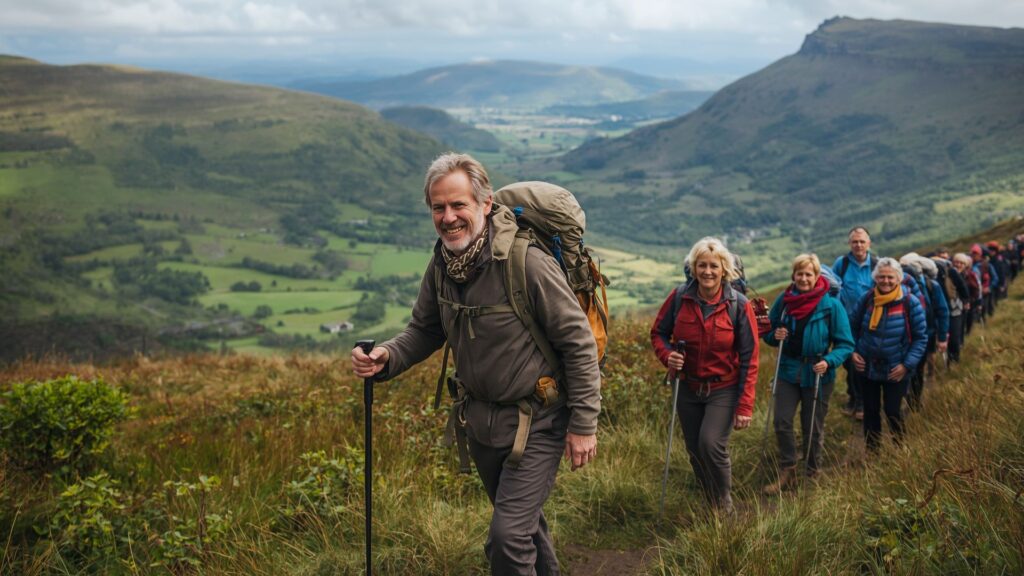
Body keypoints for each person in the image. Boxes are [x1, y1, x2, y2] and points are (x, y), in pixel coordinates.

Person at [351, 153, 601, 576]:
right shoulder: (444, 264)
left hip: (537, 421)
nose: (448, 217)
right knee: (525, 530)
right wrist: (387, 357)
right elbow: (425, 329)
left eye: (458, 205)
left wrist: (583, 425)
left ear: (485, 204)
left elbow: (577, 343)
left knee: (506, 539)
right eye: (438, 207)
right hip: (480, 423)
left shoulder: (527, 263)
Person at [650, 237, 759, 511]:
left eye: (713, 266)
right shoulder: (679, 298)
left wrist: (745, 405)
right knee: (695, 451)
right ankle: (708, 500)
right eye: (701, 265)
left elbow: (750, 357)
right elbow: (659, 333)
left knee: (710, 443)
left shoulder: (739, 305)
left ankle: (724, 504)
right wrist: (668, 356)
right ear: (693, 268)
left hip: (723, 387)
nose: (707, 272)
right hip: (687, 388)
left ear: (724, 269)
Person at [761, 254, 854, 494]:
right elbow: (769, 332)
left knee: (812, 426)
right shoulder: (784, 299)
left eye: (808, 274)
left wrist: (829, 361)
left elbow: (846, 344)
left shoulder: (831, 305)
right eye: (799, 274)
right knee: (781, 421)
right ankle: (788, 470)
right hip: (788, 370)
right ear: (794, 275)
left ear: (816, 277)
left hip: (818, 373)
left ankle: (812, 473)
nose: (803, 278)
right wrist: (774, 336)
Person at [849, 258, 927, 451]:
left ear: (899, 278)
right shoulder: (867, 299)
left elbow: (920, 338)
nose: (885, 281)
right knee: (871, 410)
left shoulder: (910, 303)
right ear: (875, 278)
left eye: (890, 277)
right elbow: (851, 327)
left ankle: (900, 448)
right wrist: (853, 351)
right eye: (881, 277)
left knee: (892, 410)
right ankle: (873, 452)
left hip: (896, 368)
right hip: (867, 366)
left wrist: (907, 365)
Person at [832, 227, 876, 420]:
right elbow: (832, 289)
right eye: (854, 242)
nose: (858, 245)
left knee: (862, 363)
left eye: (862, 241)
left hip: (870, 325)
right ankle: (854, 397)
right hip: (846, 325)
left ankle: (861, 402)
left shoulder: (877, 265)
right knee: (849, 364)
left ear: (869, 243)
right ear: (850, 244)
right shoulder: (841, 264)